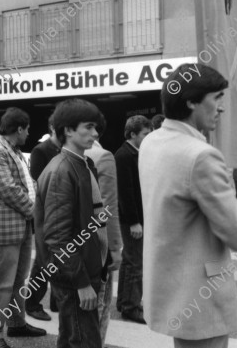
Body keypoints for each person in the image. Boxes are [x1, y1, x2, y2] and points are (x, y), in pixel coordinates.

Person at [139, 63, 237, 348]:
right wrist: (224, 181)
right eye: (217, 99)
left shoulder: (151, 141)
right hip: (202, 294)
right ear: (191, 101)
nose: (221, 108)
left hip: (171, 284)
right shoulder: (201, 156)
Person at [35, 99, 106, 348]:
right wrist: (81, 282)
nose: (95, 133)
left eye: (96, 127)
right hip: (73, 274)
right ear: (68, 130)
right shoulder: (62, 170)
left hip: (82, 267)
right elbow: (57, 236)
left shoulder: (81, 163)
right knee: (83, 340)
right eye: (88, 127)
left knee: (73, 336)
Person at [0, 107, 46, 348]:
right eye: (27, 129)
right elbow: (8, 189)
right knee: (0, 284)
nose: (29, 134)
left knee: (19, 280)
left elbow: (27, 184)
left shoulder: (15, 151)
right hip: (5, 227)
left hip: (21, 224)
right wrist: (36, 212)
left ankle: (17, 323)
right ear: (19, 128)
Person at [83, 114, 123, 345]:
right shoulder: (103, 156)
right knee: (100, 304)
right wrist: (115, 247)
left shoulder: (60, 156)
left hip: (73, 243)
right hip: (98, 242)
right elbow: (108, 206)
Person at [114, 115, 151, 324]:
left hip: (137, 217)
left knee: (130, 262)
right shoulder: (124, 155)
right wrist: (134, 221)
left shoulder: (135, 153)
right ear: (132, 134)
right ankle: (131, 307)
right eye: (145, 134)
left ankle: (124, 302)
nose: (149, 137)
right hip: (132, 220)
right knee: (135, 263)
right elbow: (125, 192)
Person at [25, 115, 61, 321]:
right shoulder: (41, 150)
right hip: (45, 213)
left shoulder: (63, 149)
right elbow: (39, 183)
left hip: (59, 212)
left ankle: (56, 301)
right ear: (52, 127)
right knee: (42, 260)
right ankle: (32, 303)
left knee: (58, 257)